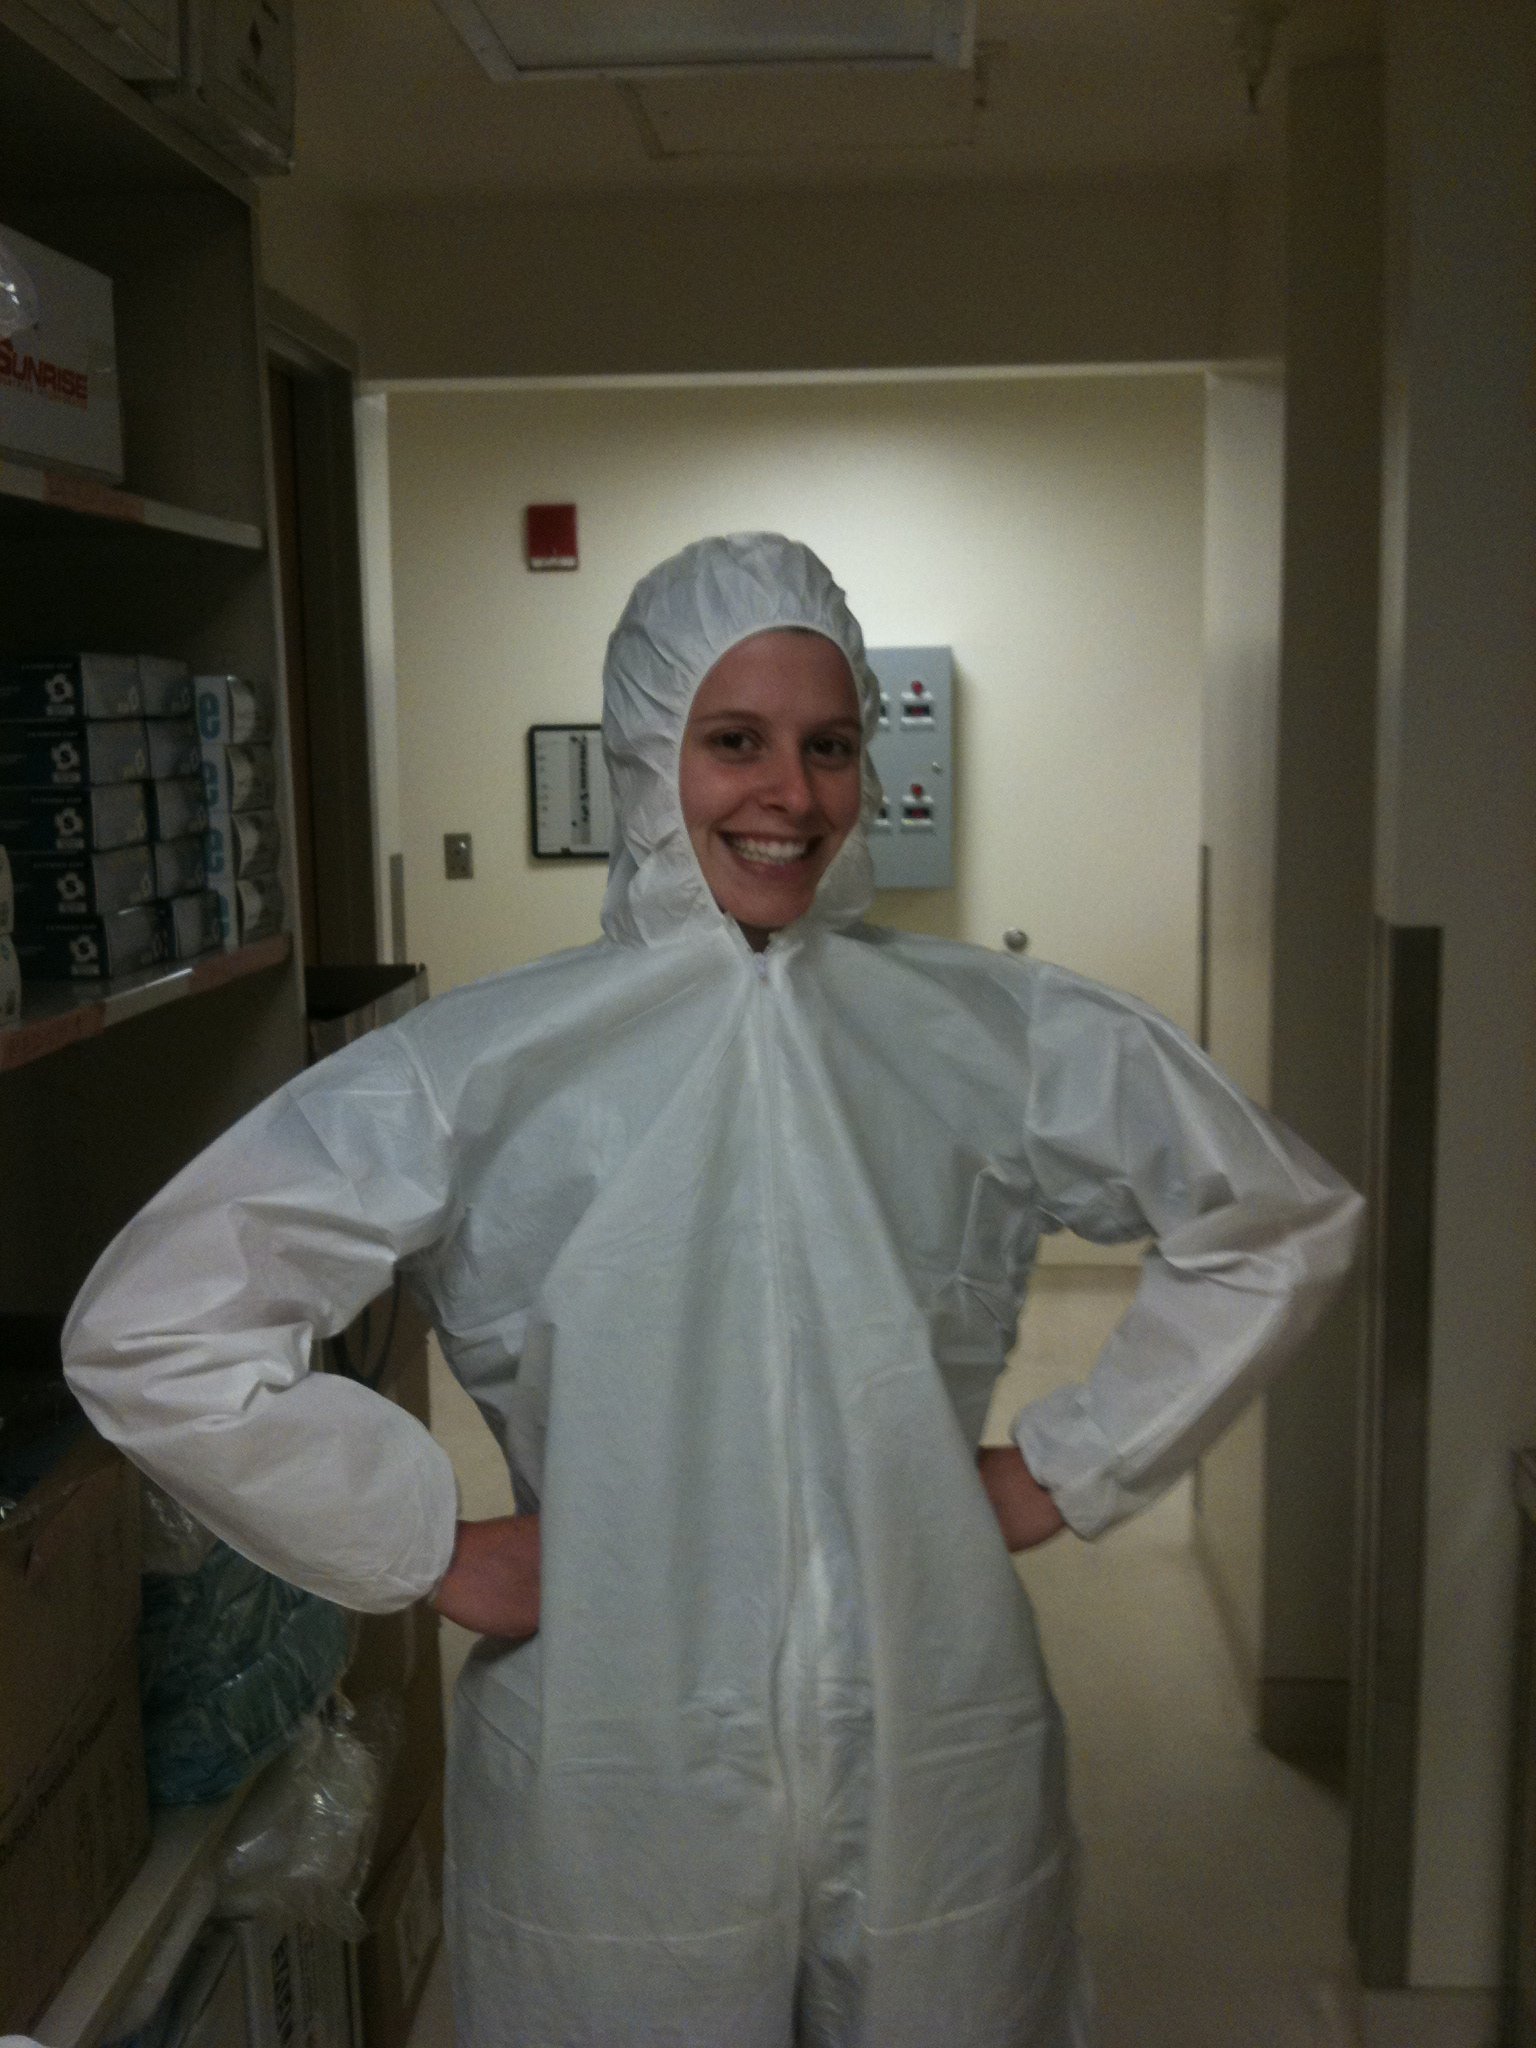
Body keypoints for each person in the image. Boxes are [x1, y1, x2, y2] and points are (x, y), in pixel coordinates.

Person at [64, 533, 1362, 2048]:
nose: (789, 794)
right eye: (734, 742)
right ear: (643, 754)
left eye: (830, 746)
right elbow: (158, 1322)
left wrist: (1074, 1461)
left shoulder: (987, 1033)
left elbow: (1273, 1218)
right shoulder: (492, 1065)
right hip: (622, 1748)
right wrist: (427, 1542)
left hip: (932, 1723)